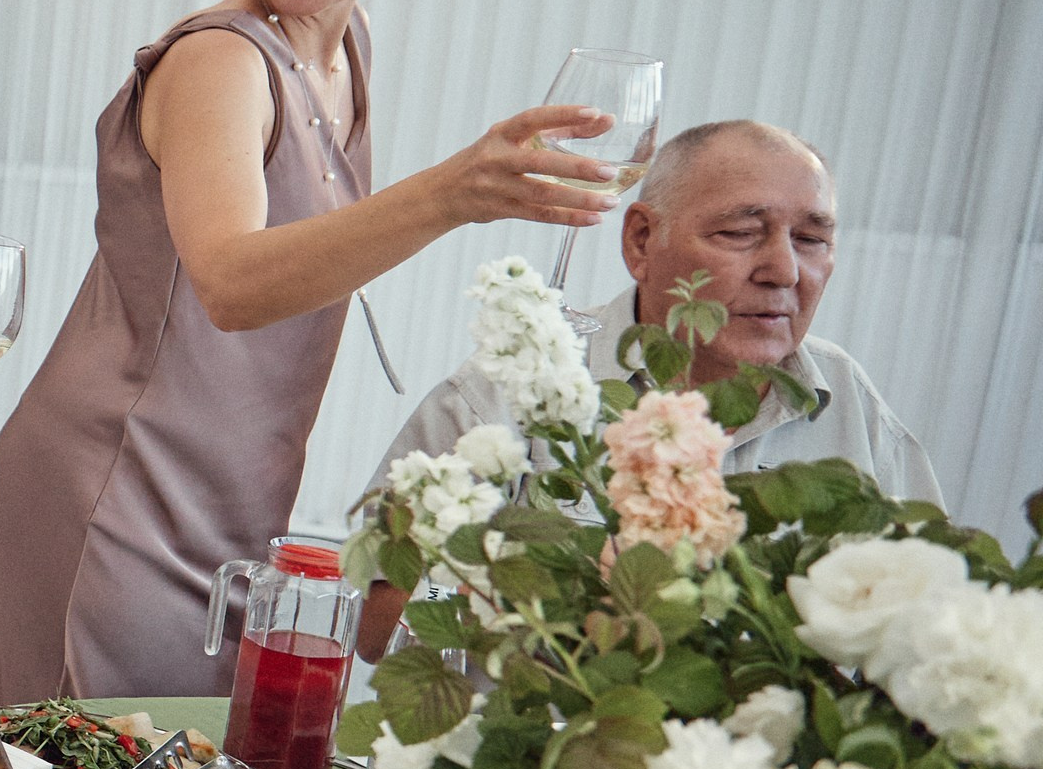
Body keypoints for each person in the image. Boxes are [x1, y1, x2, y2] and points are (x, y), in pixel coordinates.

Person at [0, 0, 629, 703]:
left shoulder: (343, 44)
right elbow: (231, 281)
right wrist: (452, 193)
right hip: (116, 480)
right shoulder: (220, 65)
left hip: (233, 490)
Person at [355, 120, 941, 651]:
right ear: (640, 241)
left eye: (811, 241)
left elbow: (934, 626)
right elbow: (376, 625)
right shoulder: (521, 384)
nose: (784, 271)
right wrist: (564, 607)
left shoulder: (849, 404)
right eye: (741, 232)